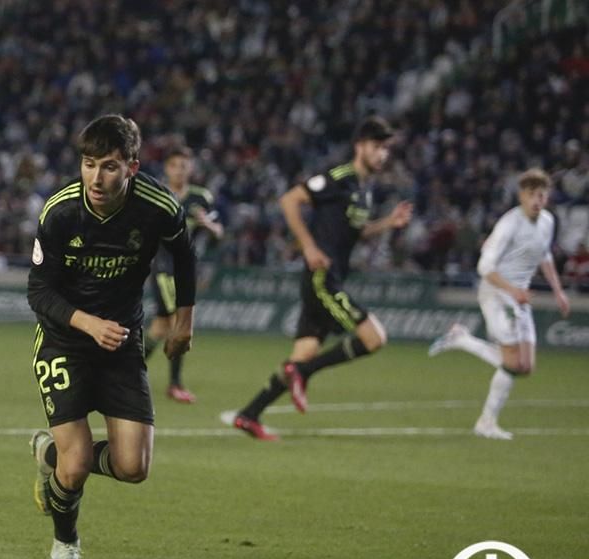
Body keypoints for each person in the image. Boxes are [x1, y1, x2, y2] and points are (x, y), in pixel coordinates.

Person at [27, 114, 196, 559]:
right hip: (64, 341)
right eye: (88, 164)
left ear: (132, 168)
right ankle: (66, 544)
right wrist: (88, 323)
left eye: (108, 167)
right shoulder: (60, 212)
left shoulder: (158, 206)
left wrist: (184, 318)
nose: (96, 178)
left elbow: (183, 252)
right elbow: (38, 292)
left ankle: (49, 454)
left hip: (120, 342)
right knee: (78, 463)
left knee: (133, 467)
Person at [226, 116, 413, 440]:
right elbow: (289, 200)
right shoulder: (338, 177)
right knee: (374, 338)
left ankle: (249, 414)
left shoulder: (364, 192)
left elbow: (359, 232)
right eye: (377, 146)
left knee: (304, 353)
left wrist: (387, 224)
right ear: (360, 146)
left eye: (386, 148)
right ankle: (301, 373)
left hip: (334, 276)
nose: (382, 153)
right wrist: (309, 246)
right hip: (322, 277)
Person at [427, 169, 571, 439]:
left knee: (526, 366)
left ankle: (462, 339)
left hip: (518, 295)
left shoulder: (548, 222)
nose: (537, 200)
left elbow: (545, 255)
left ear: (547, 196)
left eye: (541, 195)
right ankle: (486, 422)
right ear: (521, 196)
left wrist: (558, 291)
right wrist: (512, 289)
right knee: (512, 363)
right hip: (496, 292)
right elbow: (484, 266)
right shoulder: (509, 224)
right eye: (531, 195)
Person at [144, 147, 223, 403]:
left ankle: (119, 373)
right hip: (164, 268)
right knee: (179, 324)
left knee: (159, 329)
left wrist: (206, 224)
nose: (180, 170)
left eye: (184, 165)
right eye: (175, 165)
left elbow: (218, 233)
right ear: (167, 169)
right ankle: (175, 384)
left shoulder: (201, 197)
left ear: (191, 169)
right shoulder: (157, 195)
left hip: (186, 268)